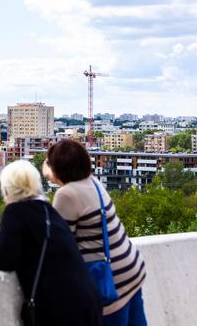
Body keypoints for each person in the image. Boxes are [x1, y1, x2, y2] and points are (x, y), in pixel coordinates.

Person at [45, 139, 147, 326]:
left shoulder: (66, 194)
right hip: (131, 268)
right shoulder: (93, 182)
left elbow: (59, 245)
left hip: (110, 281)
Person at [0, 160, 102, 326]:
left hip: (61, 309)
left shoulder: (14, 212)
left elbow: (4, 260)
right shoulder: (48, 210)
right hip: (88, 300)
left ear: (7, 189)